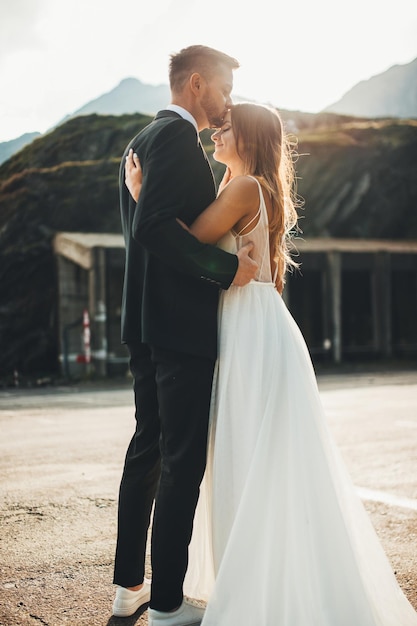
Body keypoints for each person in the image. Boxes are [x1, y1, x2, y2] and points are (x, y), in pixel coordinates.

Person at [125, 101, 417, 625]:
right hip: (259, 321)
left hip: (247, 326)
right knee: (260, 454)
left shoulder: (242, 188)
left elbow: (185, 243)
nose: (216, 133)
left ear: (251, 139)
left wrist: (144, 196)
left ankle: (258, 582)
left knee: (247, 451)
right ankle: (265, 573)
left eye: (227, 129)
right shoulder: (252, 187)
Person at [112, 45, 258, 625]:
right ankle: (168, 603)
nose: (227, 104)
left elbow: (148, 225)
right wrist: (226, 270)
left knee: (148, 449)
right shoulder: (175, 141)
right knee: (181, 459)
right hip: (177, 329)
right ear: (197, 84)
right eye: (223, 90)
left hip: (145, 324)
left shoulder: (139, 143)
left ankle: (128, 588)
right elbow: (154, 230)